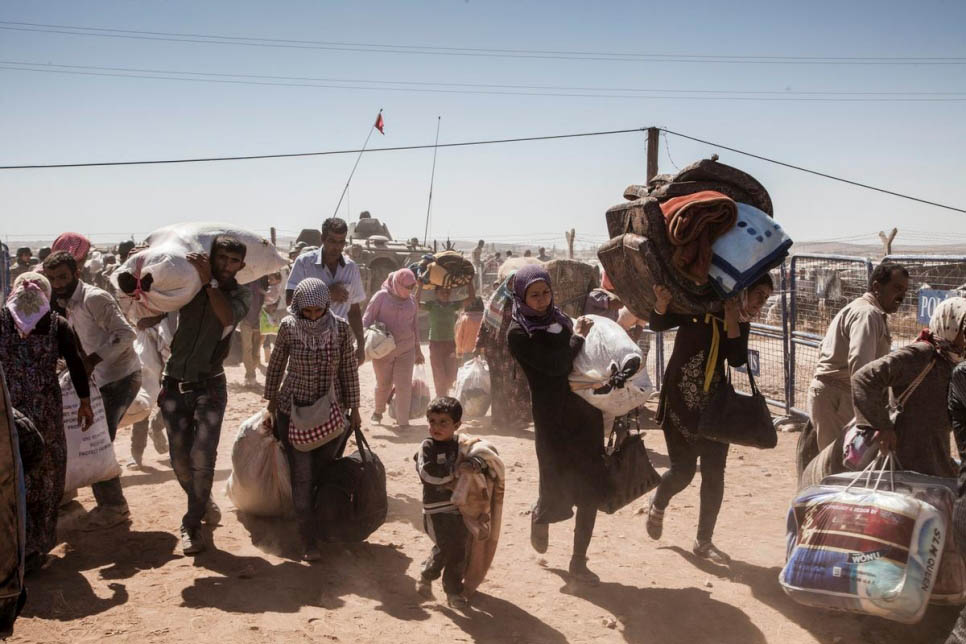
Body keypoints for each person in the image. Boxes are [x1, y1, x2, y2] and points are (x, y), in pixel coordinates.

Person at [645, 274, 773, 564]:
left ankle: (703, 541)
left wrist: (730, 319)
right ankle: (659, 502)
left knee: (715, 474)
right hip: (680, 401)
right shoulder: (697, 307)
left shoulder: (739, 320)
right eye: (759, 296)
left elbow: (738, 359)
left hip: (717, 409)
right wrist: (662, 303)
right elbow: (658, 324)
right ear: (743, 291)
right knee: (683, 472)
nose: (761, 303)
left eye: (765, 299)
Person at [507, 264, 605, 584]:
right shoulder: (519, 333)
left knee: (590, 485)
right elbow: (557, 365)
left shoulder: (562, 320)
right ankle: (541, 514)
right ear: (521, 296)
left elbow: (581, 358)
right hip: (551, 417)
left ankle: (579, 561)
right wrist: (577, 339)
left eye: (545, 292)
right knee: (555, 485)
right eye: (533, 295)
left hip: (584, 411)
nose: (541, 300)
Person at [159, 236, 250, 555]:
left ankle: (192, 523)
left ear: (241, 265)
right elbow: (155, 303)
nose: (226, 265)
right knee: (180, 461)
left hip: (209, 385)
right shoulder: (189, 284)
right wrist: (145, 265)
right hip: (173, 384)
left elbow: (227, 317)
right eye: (221, 258)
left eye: (233, 261)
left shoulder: (239, 293)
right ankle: (202, 501)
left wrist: (209, 282)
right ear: (212, 258)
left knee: (202, 458)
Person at [0, 272, 93, 572]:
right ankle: (37, 548)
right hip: (45, 417)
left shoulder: (1, 320)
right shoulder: (57, 324)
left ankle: (12, 549)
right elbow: (77, 363)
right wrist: (85, 402)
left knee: (10, 477)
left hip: (7, 413)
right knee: (46, 477)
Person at [264, 278, 361, 562]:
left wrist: (354, 409)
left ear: (327, 306)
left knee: (323, 471)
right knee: (302, 477)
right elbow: (277, 364)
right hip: (294, 412)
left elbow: (349, 370)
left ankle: (323, 525)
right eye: (308, 311)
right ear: (298, 308)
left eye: (319, 310)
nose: (314, 316)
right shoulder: (288, 327)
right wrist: (271, 400)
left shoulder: (341, 329)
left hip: (332, 414)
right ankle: (307, 538)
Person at [45, 251, 142, 529]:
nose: (57, 283)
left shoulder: (94, 298)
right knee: (91, 438)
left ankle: (114, 507)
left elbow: (126, 334)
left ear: (76, 273)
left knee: (98, 440)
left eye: (62, 277)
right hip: (101, 380)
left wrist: (92, 360)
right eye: (52, 279)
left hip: (120, 377)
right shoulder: (68, 303)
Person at [850, 296, 966, 477]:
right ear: (950, 324)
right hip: (899, 462)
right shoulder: (921, 355)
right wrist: (883, 427)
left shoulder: (955, 363)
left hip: (934, 461)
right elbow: (864, 378)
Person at [807, 263, 909, 451]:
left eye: (904, 290)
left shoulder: (866, 311)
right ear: (877, 287)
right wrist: (870, 411)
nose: (902, 296)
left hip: (837, 396)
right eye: (897, 288)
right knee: (840, 472)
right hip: (839, 398)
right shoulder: (868, 314)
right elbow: (861, 365)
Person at [415, 397, 480, 607]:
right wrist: (454, 473)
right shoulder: (427, 446)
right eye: (432, 421)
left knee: (459, 548)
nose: (436, 427)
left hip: (459, 509)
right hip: (436, 510)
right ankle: (428, 573)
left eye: (443, 422)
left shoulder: (461, 445)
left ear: (457, 425)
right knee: (446, 547)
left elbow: (481, 456)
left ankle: (453, 591)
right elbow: (426, 473)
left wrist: (475, 465)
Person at [286, 218, 367, 366]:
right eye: (332, 241)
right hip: (307, 341)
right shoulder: (304, 263)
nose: (337, 247)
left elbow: (354, 310)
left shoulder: (351, 268)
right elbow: (289, 301)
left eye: (341, 242)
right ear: (322, 239)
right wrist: (327, 294)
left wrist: (361, 345)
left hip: (339, 342)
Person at [363, 269, 424, 427]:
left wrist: (418, 350)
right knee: (384, 384)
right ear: (397, 283)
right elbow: (366, 320)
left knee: (404, 385)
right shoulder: (381, 297)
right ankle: (378, 412)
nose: (410, 290)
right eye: (407, 286)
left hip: (406, 349)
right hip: (383, 350)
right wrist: (366, 342)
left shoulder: (411, 301)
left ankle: (403, 421)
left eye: (413, 286)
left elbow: (415, 326)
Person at [474, 275, 532, 430]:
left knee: (516, 384)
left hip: (514, 349)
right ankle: (500, 420)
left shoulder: (523, 302)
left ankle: (516, 419)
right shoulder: (495, 300)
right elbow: (485, 323)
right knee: (499, 384)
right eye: (513, 283)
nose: (515, 286)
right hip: (496, 350)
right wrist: (478, 344)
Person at [423, 285, 475, 397]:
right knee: (439, 374)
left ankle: (444, 395)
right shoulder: (431, 305)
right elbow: (415, 303)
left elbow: (471, 298)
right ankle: (441, 398)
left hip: (450, 344)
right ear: (436, 293)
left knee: (452, 374)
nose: (446, 294)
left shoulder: (453, 305)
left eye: (448, 292)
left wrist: (470, 282)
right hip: (435, 344)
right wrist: (420, 285)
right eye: (442, 292)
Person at [239, 277, 267, 387]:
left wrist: (264, 292)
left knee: (256, 350)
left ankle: (250, 371)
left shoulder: (264, 280)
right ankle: (250, 374)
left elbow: (273, 297)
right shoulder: (242, 281)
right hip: (246, 320)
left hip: (260, 320)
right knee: (247, 348)